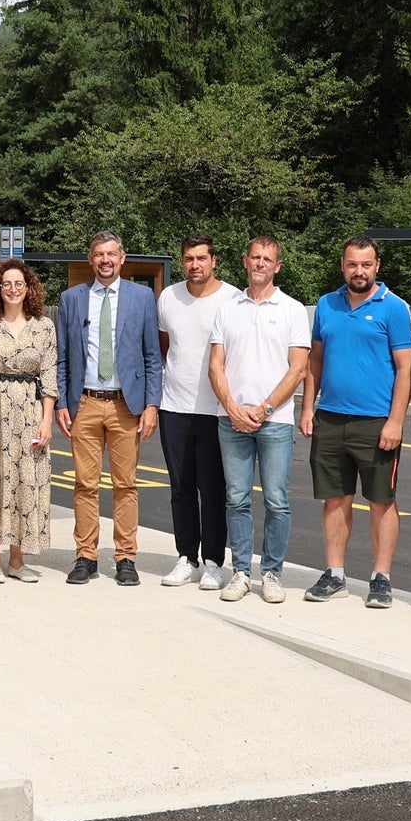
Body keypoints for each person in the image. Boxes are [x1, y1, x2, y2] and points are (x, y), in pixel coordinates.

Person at [299, 235, 411, 606]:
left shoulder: (394, 308)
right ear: (343, 265)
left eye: (366, 264)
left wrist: (396, 421)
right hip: (330, 419)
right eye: (352, 264)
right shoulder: (326, 304)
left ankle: (381, 578)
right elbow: (314, 361)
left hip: (376, 422)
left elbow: (405, 369)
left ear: (377, 266)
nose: (359, 271)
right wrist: (307, 408)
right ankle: (335, 574)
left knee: (382, 501)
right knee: (335, 500)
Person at [54, 232, 162, 586]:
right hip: (84, 404)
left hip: (125, 405)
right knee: (85, 485)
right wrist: (60, 403)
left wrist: (151, 404)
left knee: (125, 485)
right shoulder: (72, 299)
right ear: (90, 259)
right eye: (99, 254)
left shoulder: (143, 297)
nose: (105, 260)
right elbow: (63, 357)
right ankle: (86, 556)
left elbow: (151, 356)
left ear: (122, 257)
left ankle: (126, 557)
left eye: (111, 254)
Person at [206, 237, 308, 606]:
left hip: (275, 421)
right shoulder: (227, 308)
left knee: (277, 501)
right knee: (236, 500)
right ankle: (241, 573)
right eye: (255, 258)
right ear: (245, 262)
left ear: (277, 265)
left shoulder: (293, 309)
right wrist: (232, 406)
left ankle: (272, 573)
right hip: (230, 419)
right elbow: (215, 365)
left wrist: (263, 409)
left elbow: (298, 369)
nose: (261, 264)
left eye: (268, 259)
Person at [155, 234, 242, 589]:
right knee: (181, 487)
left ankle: (213, 561)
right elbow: (166, 348)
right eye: (189, 258)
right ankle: (186, 556)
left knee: (214, 488)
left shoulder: (232, 298)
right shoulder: (168, 297)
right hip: (174, 406)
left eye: (202, 258)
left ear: (214, 261)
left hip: (216, 410)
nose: (195, 265)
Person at [0, 258, 57, 584]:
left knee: (23, 482)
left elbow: (49, 377)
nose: (13, 289)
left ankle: (17, 559)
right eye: (7, 284)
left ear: (29, 288)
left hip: (29, 413)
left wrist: (47, 422)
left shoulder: (44, 326)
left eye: (19, 284)